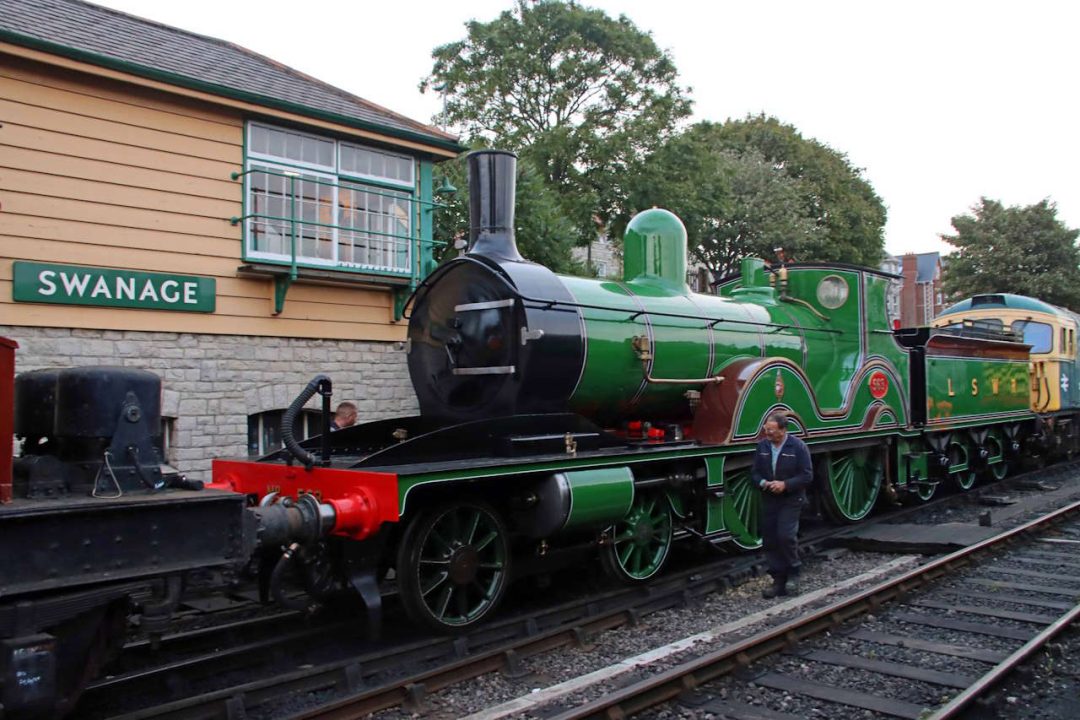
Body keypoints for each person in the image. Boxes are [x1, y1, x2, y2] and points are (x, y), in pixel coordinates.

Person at [751, 411, 813, 598]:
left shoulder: (798, 447)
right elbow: (754, 473)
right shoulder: (762, 446)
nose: (768, 433)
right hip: (770, 497)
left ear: (783, 430)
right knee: (770, 538)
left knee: (785, 535)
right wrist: (764, 483)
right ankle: (778, 579)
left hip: (792, 498)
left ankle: (794, 573)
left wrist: (785, 484)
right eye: (766, 429)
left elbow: (807, 475)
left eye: (772, 430)